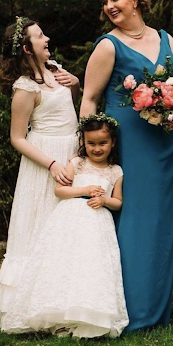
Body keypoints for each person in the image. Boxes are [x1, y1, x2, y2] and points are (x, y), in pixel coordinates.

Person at [80, 0, 173, 332]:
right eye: (105, 2)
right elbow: (90, 99)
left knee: (160, 225)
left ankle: (156, 311)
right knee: (132, 223)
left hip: (164, 145)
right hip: (127, 149)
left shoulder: (167, 39)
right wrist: (91, 155)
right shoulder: (108, 45)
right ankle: (126, 310)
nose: (109, 7)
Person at [1, 113, 128, 338]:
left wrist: (105, 200)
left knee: (89, 266)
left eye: (102, 143)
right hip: (69, 220)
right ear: (83, 143)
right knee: (63, 264)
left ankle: (85, 317)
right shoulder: (77, 163)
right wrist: (84, 190)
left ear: (112, 143)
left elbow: (117, 202)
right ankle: (58, 319)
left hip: (97, 225)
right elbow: (59, 190)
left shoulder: (115, 172)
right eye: (91, 143)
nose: (96, 149)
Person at [0, 17, 79, 319]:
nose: (47, 39)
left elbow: (69, 110)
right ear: (26, 48)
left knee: (67, 229)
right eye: (40, 36)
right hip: (45, 160)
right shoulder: (25, 87)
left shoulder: (57, 71)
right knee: (42, 227)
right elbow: (17, 138)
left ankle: (66, 301)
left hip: (70, 153)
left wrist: (76, 83)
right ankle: (34, 307)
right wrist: (51, 163)